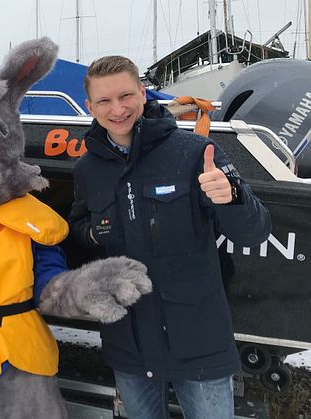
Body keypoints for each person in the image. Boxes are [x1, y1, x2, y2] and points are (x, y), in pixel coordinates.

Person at [69, 55, 271, 419]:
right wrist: (95, 233)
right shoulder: (88, 169)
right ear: (90, 106)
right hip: (128, 344)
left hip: (199, 342)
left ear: (143, 94)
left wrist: (232, 197)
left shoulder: (194, 152)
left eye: (126, 96)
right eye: (104, 101)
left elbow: (254, 232)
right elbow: (79, 233)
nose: (117, 109)